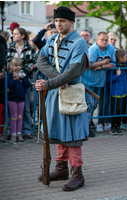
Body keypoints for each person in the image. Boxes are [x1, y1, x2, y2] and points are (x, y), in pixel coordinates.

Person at [35, 6, 89, 191]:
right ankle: (60, 169)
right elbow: (41, 61)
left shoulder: (79, 43)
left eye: (62, 21)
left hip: (71, 94)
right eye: (57, 21)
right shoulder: (51, 39)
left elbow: (74, 71)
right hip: (56, 93)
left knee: (72, 135)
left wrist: (51, 83)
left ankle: (77, 174)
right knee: (58, 132)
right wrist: (58, 80)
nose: (58, 24)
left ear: (71, 23)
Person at [82, 31, 115, 135]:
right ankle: (85, 127)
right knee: (89, 104)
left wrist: (100, 66)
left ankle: (88, 122)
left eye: (106, 40)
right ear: (97, 40)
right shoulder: (93, 49)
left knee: (94, 104)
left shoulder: (110, 48)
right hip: (87, 81)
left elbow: (113, 64)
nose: (104, 42)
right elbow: (89, 65)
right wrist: (104, 62)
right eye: (102, 40)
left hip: (100, 82)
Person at [6, 27, 37, 139]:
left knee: (26, 107)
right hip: (12, 80)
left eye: (15, 34)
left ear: (22, 36)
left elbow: (32, 63)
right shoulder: (10, 47)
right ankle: (11, 131)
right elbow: (8, 61)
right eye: (13, 34)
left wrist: (20, 74)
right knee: (12, 108)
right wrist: (13, 74)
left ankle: (27, 130)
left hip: (24, 81)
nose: (13, 35)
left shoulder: (29, 48)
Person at [107, 49, 127, 135]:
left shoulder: (125, 65)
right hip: (116, 92)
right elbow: (109, 79)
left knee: (121, 110)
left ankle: (118, 126)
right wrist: (117, 75)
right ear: (120, 58)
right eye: (125, 56)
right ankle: (113, 127)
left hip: (124, 92)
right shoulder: (115, 66)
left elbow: (125, 79)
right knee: (115, 110)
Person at [7, 58, 31, 142]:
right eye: (16, 65)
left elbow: (27, 85)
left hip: (21, 99)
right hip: (12, 99)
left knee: (20, 117)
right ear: (11, 66)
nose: (18, 67)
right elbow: (9, 85)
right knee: (13, 117)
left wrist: (21, 77)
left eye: (19, 66)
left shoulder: (23, 75)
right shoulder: (10, 75)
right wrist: (15, 79)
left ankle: (19, 133)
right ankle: (13, 134)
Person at [0, 68, 7, 142]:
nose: (2, 74)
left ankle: (1, 133)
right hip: (0, 102)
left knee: (2, 118)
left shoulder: (5, 80)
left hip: (3, 102)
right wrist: (5, 90)